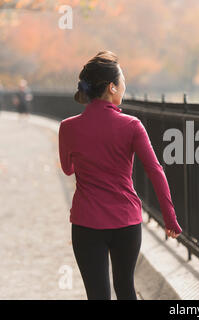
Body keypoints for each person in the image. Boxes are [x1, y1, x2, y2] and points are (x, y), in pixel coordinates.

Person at [58, 51, 182, 300]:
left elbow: (67, 169)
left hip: (86, 223)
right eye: (123, 80)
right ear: (113, 87)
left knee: (97, 294)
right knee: (125, 287)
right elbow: (155, 171)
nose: (125, 85)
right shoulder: (132, 125)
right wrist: (170, 219)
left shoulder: (68, 127)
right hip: (126, 221)